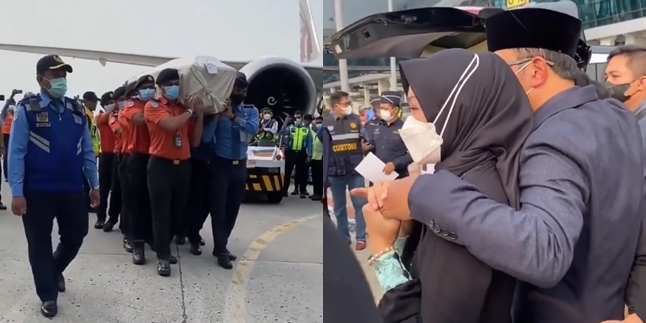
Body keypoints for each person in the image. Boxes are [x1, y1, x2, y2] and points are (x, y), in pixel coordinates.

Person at [361, 8, 644, 323]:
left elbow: (543, 251)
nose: (490, 78)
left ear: (536, 71)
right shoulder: (617, 117)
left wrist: (424, 193)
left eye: (498, 66)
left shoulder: (549, 138)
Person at [354, 49, 533, 323]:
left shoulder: (461, 201)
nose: (409, 124)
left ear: (455, 110)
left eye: (414, 108)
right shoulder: (487, 172)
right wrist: (412, 224)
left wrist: (382, 249)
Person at [9, 54, 99, 318]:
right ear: (41, 80)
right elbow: (16, 152)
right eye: (55, 75)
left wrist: (94, 184)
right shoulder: (28, 110)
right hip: (37, 191)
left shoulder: (76, 110)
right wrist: (17, 192)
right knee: (39, 243)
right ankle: (47, 295)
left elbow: (87, 151)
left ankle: (54, 268)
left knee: (77, 234)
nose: (61, 80)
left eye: (64, 75)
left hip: (72, 188)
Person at [144, 68, 204, 276]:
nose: (173, 87)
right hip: (160, 166)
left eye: (176, 83)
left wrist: (200, 114)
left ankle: (164, 246)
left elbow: (195, 141)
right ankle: (163, 257)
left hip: (183, 167)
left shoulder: (182, 109)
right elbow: (169, 125)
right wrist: (190, 112)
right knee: (161, 214)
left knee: (178, 214)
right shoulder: (153, 106)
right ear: (160, 88)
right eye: (168, 84)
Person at [606, 45, 646, 323]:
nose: (607, 84)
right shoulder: (630, 124)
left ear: (641, 82)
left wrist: (639, 308)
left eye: (615, 76)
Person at [204, 73, 259, 269]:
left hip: (240, 164)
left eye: (244, 91)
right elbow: (206, 138)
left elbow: (253, 129)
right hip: (221, 164)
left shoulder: (251, 111)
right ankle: (221, 248)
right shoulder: (218, 111)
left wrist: (233, 118)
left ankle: (221, 244)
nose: (241, 94)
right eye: (237, 90)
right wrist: (217, 117)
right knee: (218, 209)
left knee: (233, 208)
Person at [319, 91, 369, 251]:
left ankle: (361, 238)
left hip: (355, 171)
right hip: (336, 173)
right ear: (336, 106)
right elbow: (325, 149)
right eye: (346, 103)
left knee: (360, 205)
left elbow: (365, 138)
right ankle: (343, 238)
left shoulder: (356, 120)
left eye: (349, 103)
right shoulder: (326, 123)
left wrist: (366, 146)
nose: (349, 106)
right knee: (339, 208)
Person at [123, 75, 156, 265]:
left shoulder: (158, 104)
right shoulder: (131, 105)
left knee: (153, 203)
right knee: (136, 202)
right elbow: (140, 119)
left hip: (156, 157)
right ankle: (136, 243)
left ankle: (151, 238)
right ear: (138, 90)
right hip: (137, 158)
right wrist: (159, 113)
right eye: (146, 87)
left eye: (152, 87)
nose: (150, 90)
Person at [364, 91, 412, 180]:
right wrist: (365, 149)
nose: (382, 111)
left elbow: (413, 154)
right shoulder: (377, 127)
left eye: (385, 108)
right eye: (381, 108)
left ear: (395, 110)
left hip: (398, 176)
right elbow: (373, 148)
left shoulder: (405, 128)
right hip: (378, 175)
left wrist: (395, 164)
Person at [187, 113, 215, 256]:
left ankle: (193, 230)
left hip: (215, 163)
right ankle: (193, 237)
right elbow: (206, 137)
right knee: (196, 201)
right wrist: (211, 117)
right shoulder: (196, 117)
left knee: (208, 203)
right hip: (196, 162)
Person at [94, 91, 122, 229]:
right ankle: (100, 217)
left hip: (118, 155)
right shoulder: (101, 117)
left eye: (114, 102)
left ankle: (112, 217)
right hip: (105, 155)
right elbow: (105, 118)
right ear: (104, 105)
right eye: (109, 103)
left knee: (117, 189)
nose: (113, 105)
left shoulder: (119, 116)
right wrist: (115, 109)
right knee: (103, 189)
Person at [282, 111, 313, 197]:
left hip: (301, 153)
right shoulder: (290, 128)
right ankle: (284, 190)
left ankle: (302, 191)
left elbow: (310, 143)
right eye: (296, 118)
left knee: (302, 173)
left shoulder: (306, 130)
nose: (298, 120)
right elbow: (282, 132)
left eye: (299, 118)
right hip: (291, 152)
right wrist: (285, 123)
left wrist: (309, 155)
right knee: (287, 172)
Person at [82, 91, 101, 213]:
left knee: (88, 179)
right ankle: (87, 203)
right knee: (87, 180)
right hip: (87, 153)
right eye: (94, 102)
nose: (95, 104)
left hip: (93, 152)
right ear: (87, 101)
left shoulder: (90, 114)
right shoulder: (85, 115)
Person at [1, 89, 21, 184]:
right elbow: (5, 106)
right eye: (11, 103)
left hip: (13, 135)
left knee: (12, 155)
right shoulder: (5, 113)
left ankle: (12, 174)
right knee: (6, 156)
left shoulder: (15, 113)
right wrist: (11, 96)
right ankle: (6, 175)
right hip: (5, 135)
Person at [309, 116, 324, 201]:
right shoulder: (314, 133)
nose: (318, 124)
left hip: (321, 157)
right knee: (314, 177)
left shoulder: (322, 133)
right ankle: (316, 193)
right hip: (314, 157)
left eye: (320, 123)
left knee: (320, 178)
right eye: (316, 122)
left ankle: (320, 194)